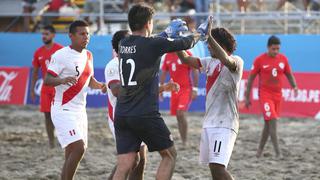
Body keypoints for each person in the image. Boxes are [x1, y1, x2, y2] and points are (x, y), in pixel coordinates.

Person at [112, 3, 201, 179]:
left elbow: (148, 43)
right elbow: (186, 42)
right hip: (144, 113)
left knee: (124, 165)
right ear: (148, 24)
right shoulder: (154, 43)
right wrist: (200, 33)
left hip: (122, 113)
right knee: (169, 155)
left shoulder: (124, 43)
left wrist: (166, 33)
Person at [105, 30, 180, 179]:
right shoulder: (114, 64)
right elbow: (116, 91)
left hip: (135, 112)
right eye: (130, 38)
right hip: (121, 115)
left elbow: (139, 89)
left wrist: (163, 88)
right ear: (122, 45)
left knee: (139, 159)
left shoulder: (134, 61)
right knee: (130, 161)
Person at [176, 16, 244, 179]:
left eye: (210, 43)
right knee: (214, 170)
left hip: (225, 123)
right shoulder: (209, 62)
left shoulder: (236, 61)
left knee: (218, 168)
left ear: (220, 44)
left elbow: (227, 61)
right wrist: (176, 39)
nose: (207, 46)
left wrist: (209, 36)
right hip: (209, 123)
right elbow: (185, 59)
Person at [44, 20, 106, 179]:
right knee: (79, 147)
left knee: (71, 152)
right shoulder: (60, 55)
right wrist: (62, 80)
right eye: (82, 34)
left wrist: (100, 86)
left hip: (80, 111)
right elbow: (48, 80)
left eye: (88, 33)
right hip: (63, 109)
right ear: (71, 36)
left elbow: (89, 80)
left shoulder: (89, 55)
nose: (86, 37)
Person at [245, 35, 298, 158]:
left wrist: (294, 86)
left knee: (268, 125)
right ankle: (278, 153)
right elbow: (251, 79)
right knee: (272, 121)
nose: (276, 51)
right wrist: (247, 97)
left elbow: (289, 74)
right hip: (265, 95)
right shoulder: (259, 60)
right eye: (274, 49)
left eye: (278, 49)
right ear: (268, 47)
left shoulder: (283, 59)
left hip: (277, 96)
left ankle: (259, 151)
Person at [30, 25, 63, 148]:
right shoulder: (38, 52)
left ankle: (62, 139)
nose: (44, 36)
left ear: (53, 35)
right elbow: (35, 72)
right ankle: (51, 142)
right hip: (45, 88)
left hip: (58, 87)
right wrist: (32, 89)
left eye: (47, 34)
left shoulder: (61, 50)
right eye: (42, 34)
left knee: (59, 115)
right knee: (47, 116)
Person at [160, 50, 199, 146]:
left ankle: (185, 141)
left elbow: (195, 70)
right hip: (174, 90)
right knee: (178, 116)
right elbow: (164, 72)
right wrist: (161, 88)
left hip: (186, 89)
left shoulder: (187, 53)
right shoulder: (168, 56)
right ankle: (183, 140)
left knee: (181, 113)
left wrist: (195, 89)